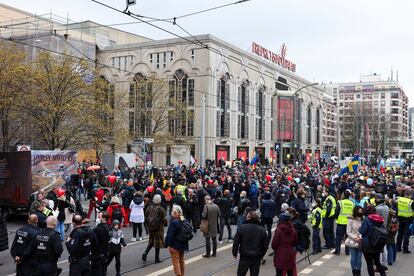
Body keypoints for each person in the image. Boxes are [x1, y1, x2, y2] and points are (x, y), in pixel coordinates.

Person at [232, 210, 268, 276]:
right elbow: (265, 245)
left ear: (249, 218)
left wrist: (234, 253)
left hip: (244, 256)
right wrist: (261, 255)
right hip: (256, 257)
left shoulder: (242, 228)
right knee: (254, 273)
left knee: (241, 273)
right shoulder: (262, 230)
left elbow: (236, 242)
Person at [359, 206, 387, 276]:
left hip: (368, 244)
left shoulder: (367, 219)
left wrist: (360, 228)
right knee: (377, 262)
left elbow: (362, 231)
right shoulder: (380, 219)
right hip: (378, 243)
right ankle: (383, 274)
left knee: (369, 263)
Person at [142, 194, 167, 263]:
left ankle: (145, 253)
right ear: (159, 201)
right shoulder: (161, 209)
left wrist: (149, 224)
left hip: (151, 227)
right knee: (157, 243)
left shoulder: (149, 208)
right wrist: (165, 223)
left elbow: (146, 216)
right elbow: (164, 219)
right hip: (158, 228)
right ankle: (157, 258)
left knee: (151, 241)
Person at [165, 205, 189, 276]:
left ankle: (178, 274)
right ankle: (182, 274)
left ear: (175, 213)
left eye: (172, 211)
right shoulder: (184, 219)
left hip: (174, 246)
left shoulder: (173, 222)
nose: (171, 212)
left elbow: (170, 235)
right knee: (181, 260)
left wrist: (166, 244)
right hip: (183, 244)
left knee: (176, 262)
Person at [334, 189, 355, 255]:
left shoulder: (340, 202)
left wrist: (336, 218)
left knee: (338, 237)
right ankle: (347, 251)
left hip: (341, 222)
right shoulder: (352, 203)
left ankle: (337, 251)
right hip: (349, 223)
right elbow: (354, 213)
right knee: (348, 237)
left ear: (343, 195)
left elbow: (336, 212)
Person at [92, 211, 112, 276]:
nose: (97, 218)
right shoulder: (109, 227)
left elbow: (93, 243)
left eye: (99, 217)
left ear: (103, 219)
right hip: (106, 253)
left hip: (98, 255)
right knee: (103, 270)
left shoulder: (97, 230)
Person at [346, 206, 363, 276]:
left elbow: (365, 230)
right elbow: (348, 232)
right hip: (353, 241)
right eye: (359, 211)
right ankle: (354, 272)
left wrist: (360, 238)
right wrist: (355, 238)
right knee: (353, 258)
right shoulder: (350, 220)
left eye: (361, 211)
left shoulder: (364, 220)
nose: (360, 213)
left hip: (361, 241)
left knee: (359, 258)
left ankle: (358, 272)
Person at [396, 188, 413, 254]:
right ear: (410, 195)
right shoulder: (411, 202)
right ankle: (405, 249)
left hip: (400, 218)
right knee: (406, 234)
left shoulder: (399, 199)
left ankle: (398, 247)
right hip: (408, 219)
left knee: (400, 233)